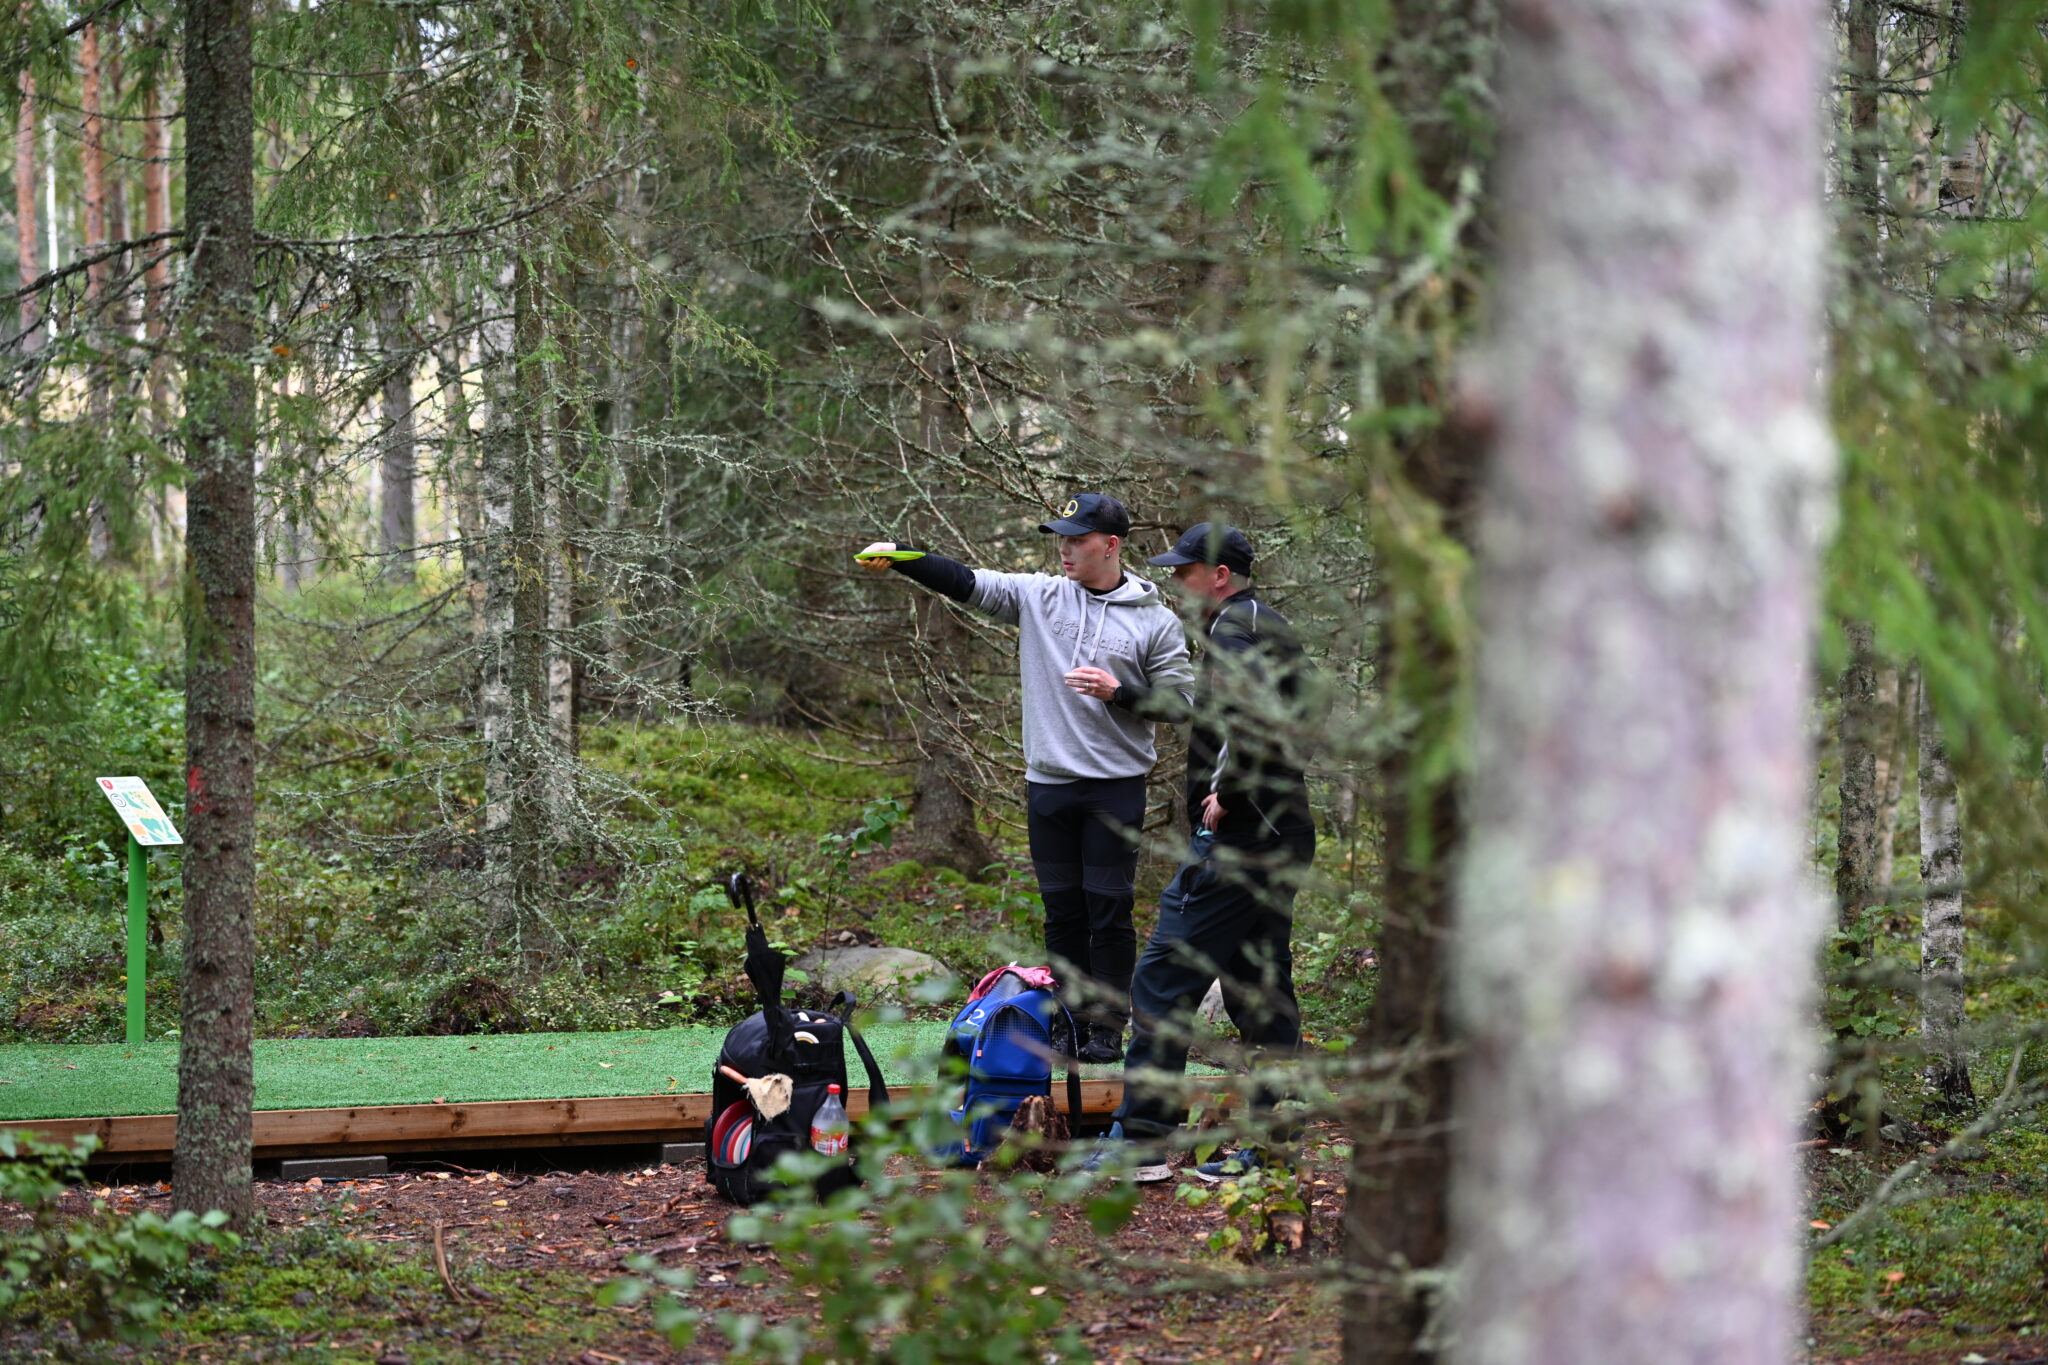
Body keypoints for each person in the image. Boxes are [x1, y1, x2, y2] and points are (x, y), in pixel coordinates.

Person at [857, 493, 1194, 1063]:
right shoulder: (1039, 597)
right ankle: (1064, 1018)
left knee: (1107, 911)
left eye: (1077, 540)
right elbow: (966, 582)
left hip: (1114, 788)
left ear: (1110, 546)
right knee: (1062, 912)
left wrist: (1121, 694)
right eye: (1059, 538)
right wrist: (906, 560)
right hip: (1050, 786)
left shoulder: (1156, 622)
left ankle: (1108, 1026)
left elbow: (1182, 701)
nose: (1063, 549)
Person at [1080, 522, 1317, 1183]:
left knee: (1161, 979)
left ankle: (1142, 1146)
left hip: (1243, 841)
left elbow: (1256, 721)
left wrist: (1231, 797)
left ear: (1219, 574)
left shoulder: (1238, 629)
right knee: (1262, 995)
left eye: (1186, 572)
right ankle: (1272, 1148)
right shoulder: (1259, 623)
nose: (1177, 583)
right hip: (1282, 834)